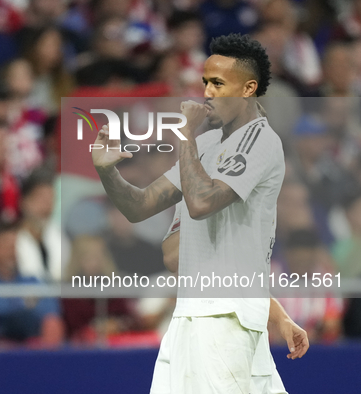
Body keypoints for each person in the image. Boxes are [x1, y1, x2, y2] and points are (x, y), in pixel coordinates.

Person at [91, 33, 305, 393]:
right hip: (194, 317)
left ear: (249, 88)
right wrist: (106, 171)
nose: (207, 92)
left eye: (219, 83)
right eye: (205, 82)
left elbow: (202, 203)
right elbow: (139, 206)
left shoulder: (259, 141)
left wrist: (186, 134)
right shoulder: (206, 145)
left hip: (224, 322)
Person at [161, 203, 309, 394]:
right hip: (209, 332)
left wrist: (282, 318)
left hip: (249, 337)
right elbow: (172, 258)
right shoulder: (199, 195)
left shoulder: (260, 200)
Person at [0, 221, 63, 346]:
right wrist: (24, 305)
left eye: (14, 245)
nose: (11, 251)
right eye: (5, 245)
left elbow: (51, 312)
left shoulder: (34, 282)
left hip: (33, 352)